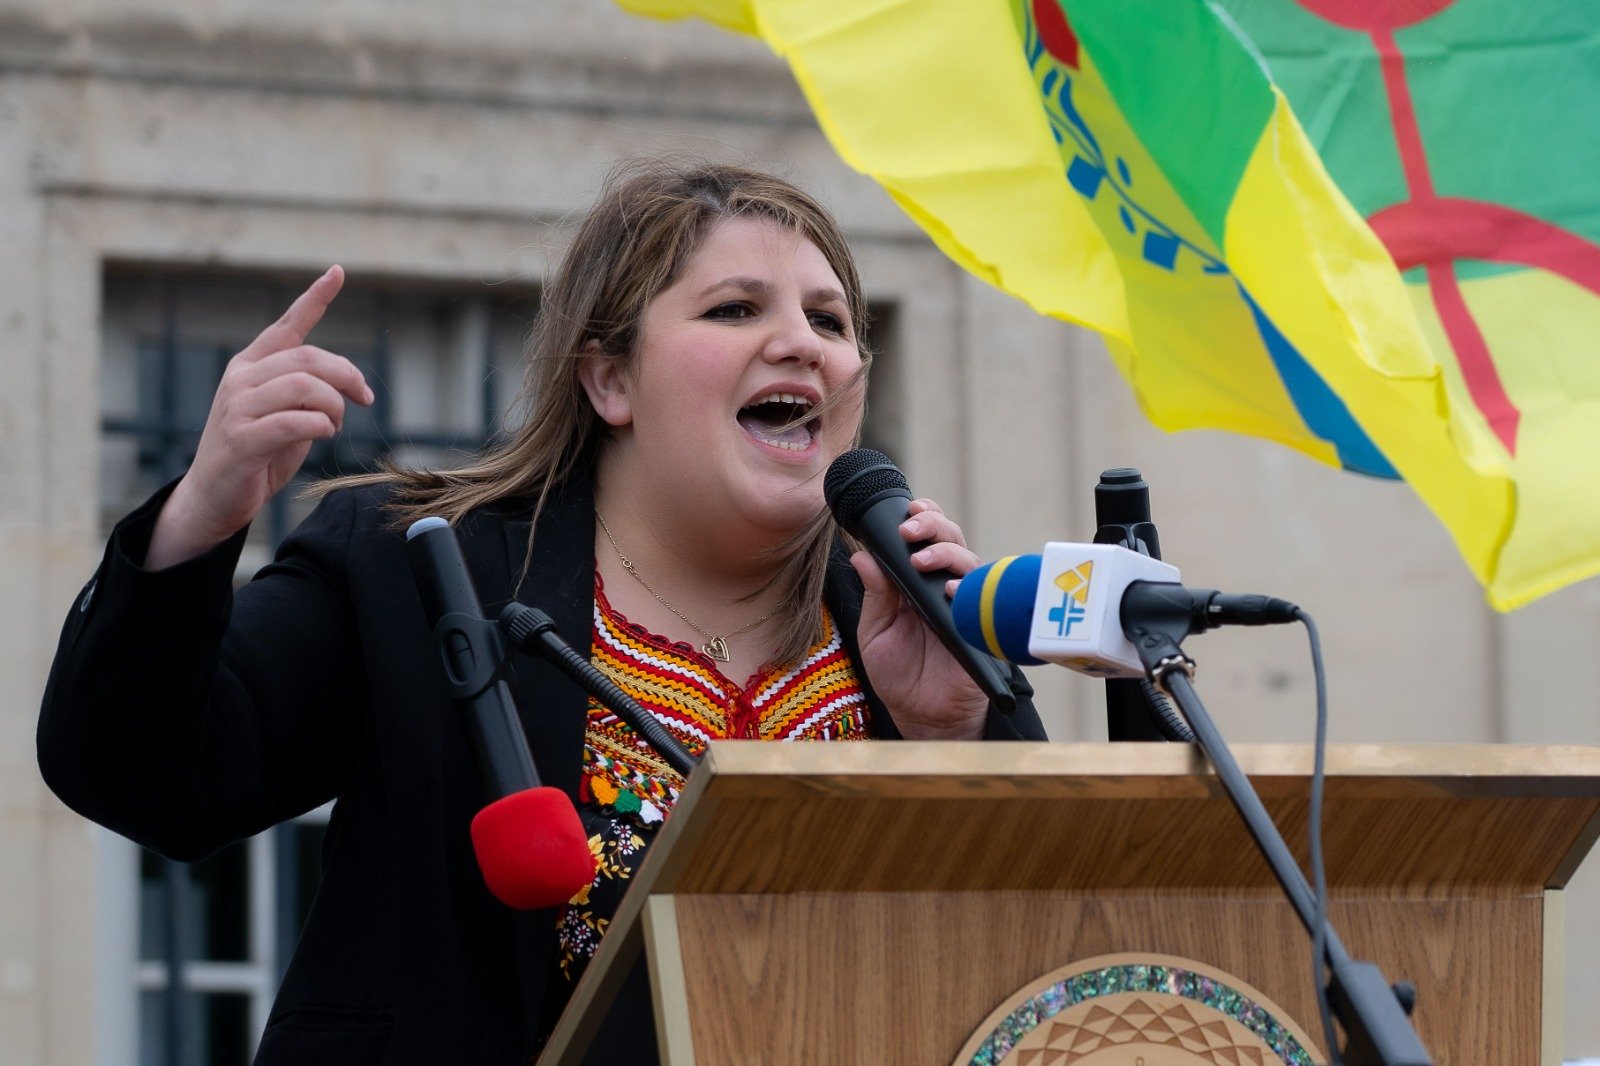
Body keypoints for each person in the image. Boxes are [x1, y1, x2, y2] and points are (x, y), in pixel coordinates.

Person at [38, 159, 1045, 1063]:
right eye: (736, 309)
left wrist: (951, 730)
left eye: (830, 321)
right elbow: (147, 778)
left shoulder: (908, 621)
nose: (802, 344)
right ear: (609, 377)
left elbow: (1056, 968)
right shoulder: (414, 567)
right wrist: (199, 516)